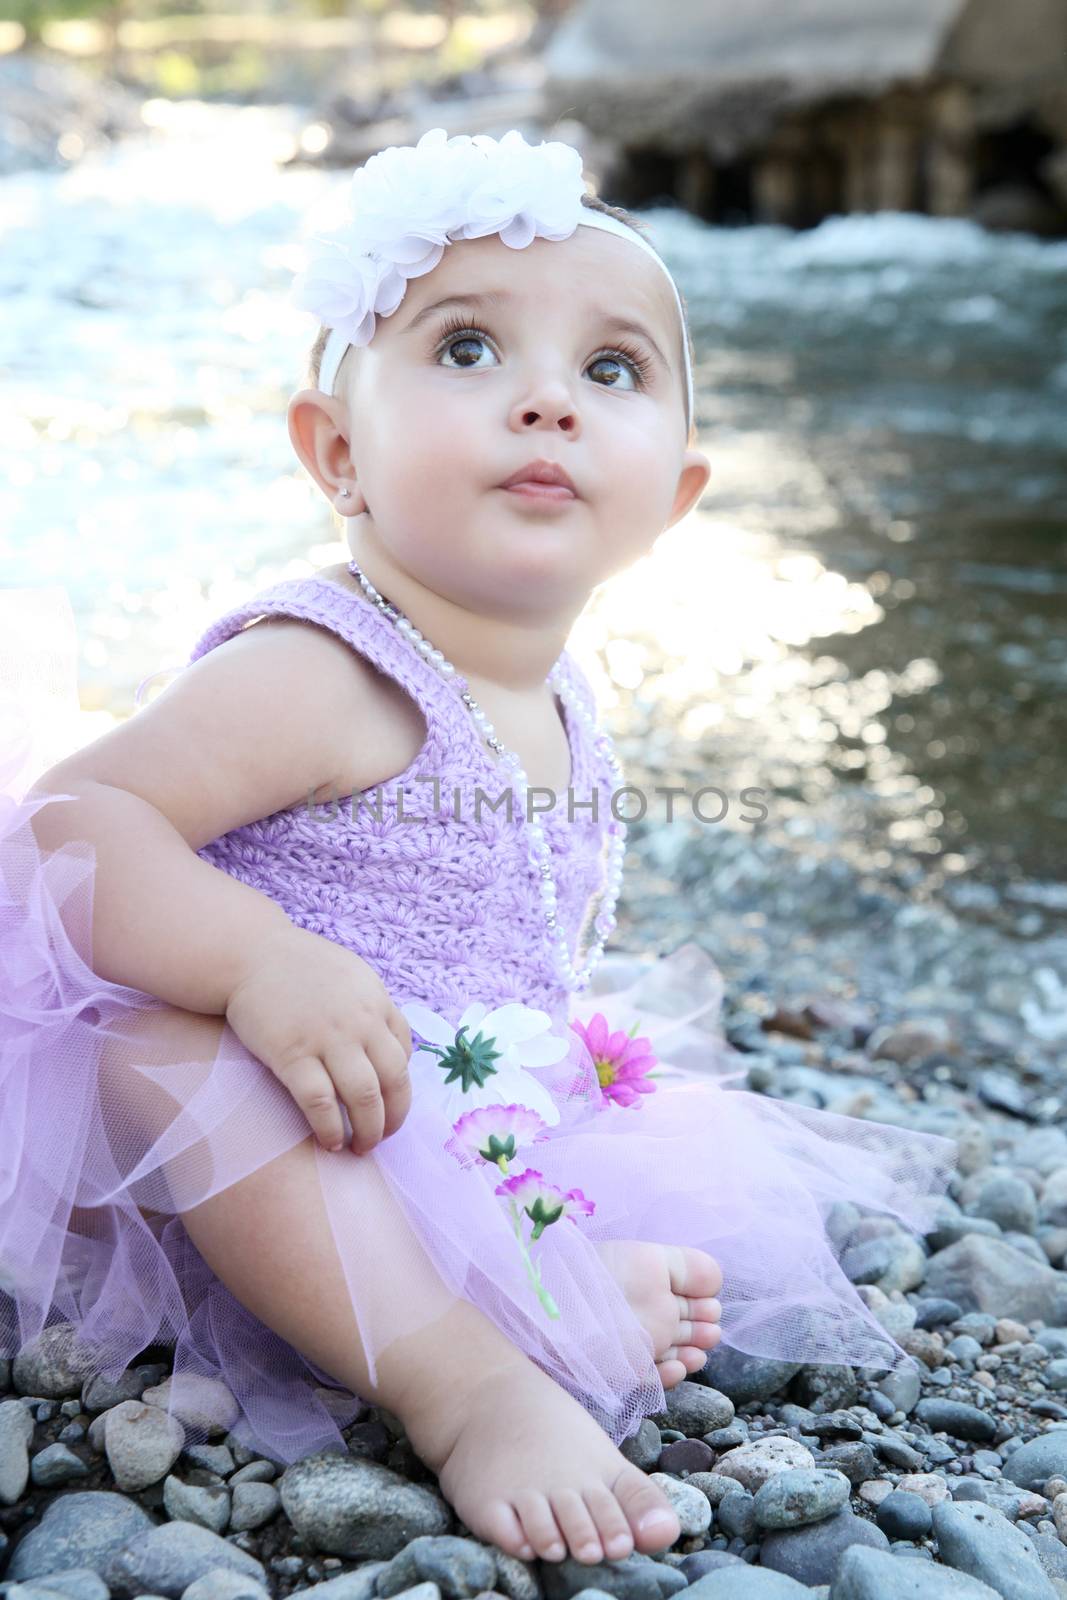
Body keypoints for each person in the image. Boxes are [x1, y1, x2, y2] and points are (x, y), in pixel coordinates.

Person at [0, 128, 957, 1568]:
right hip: (206, 1143)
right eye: (466, 351)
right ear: (338, 454)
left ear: (676, 498)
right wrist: (261, 961)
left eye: (611, 370)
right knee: (167, 1045)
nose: (547, 405)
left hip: (404, 1089)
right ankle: (466, 1378)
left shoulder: (560, 693)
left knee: (571, 1080)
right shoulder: (325, 670)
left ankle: (519, 1265)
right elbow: (67, 825)